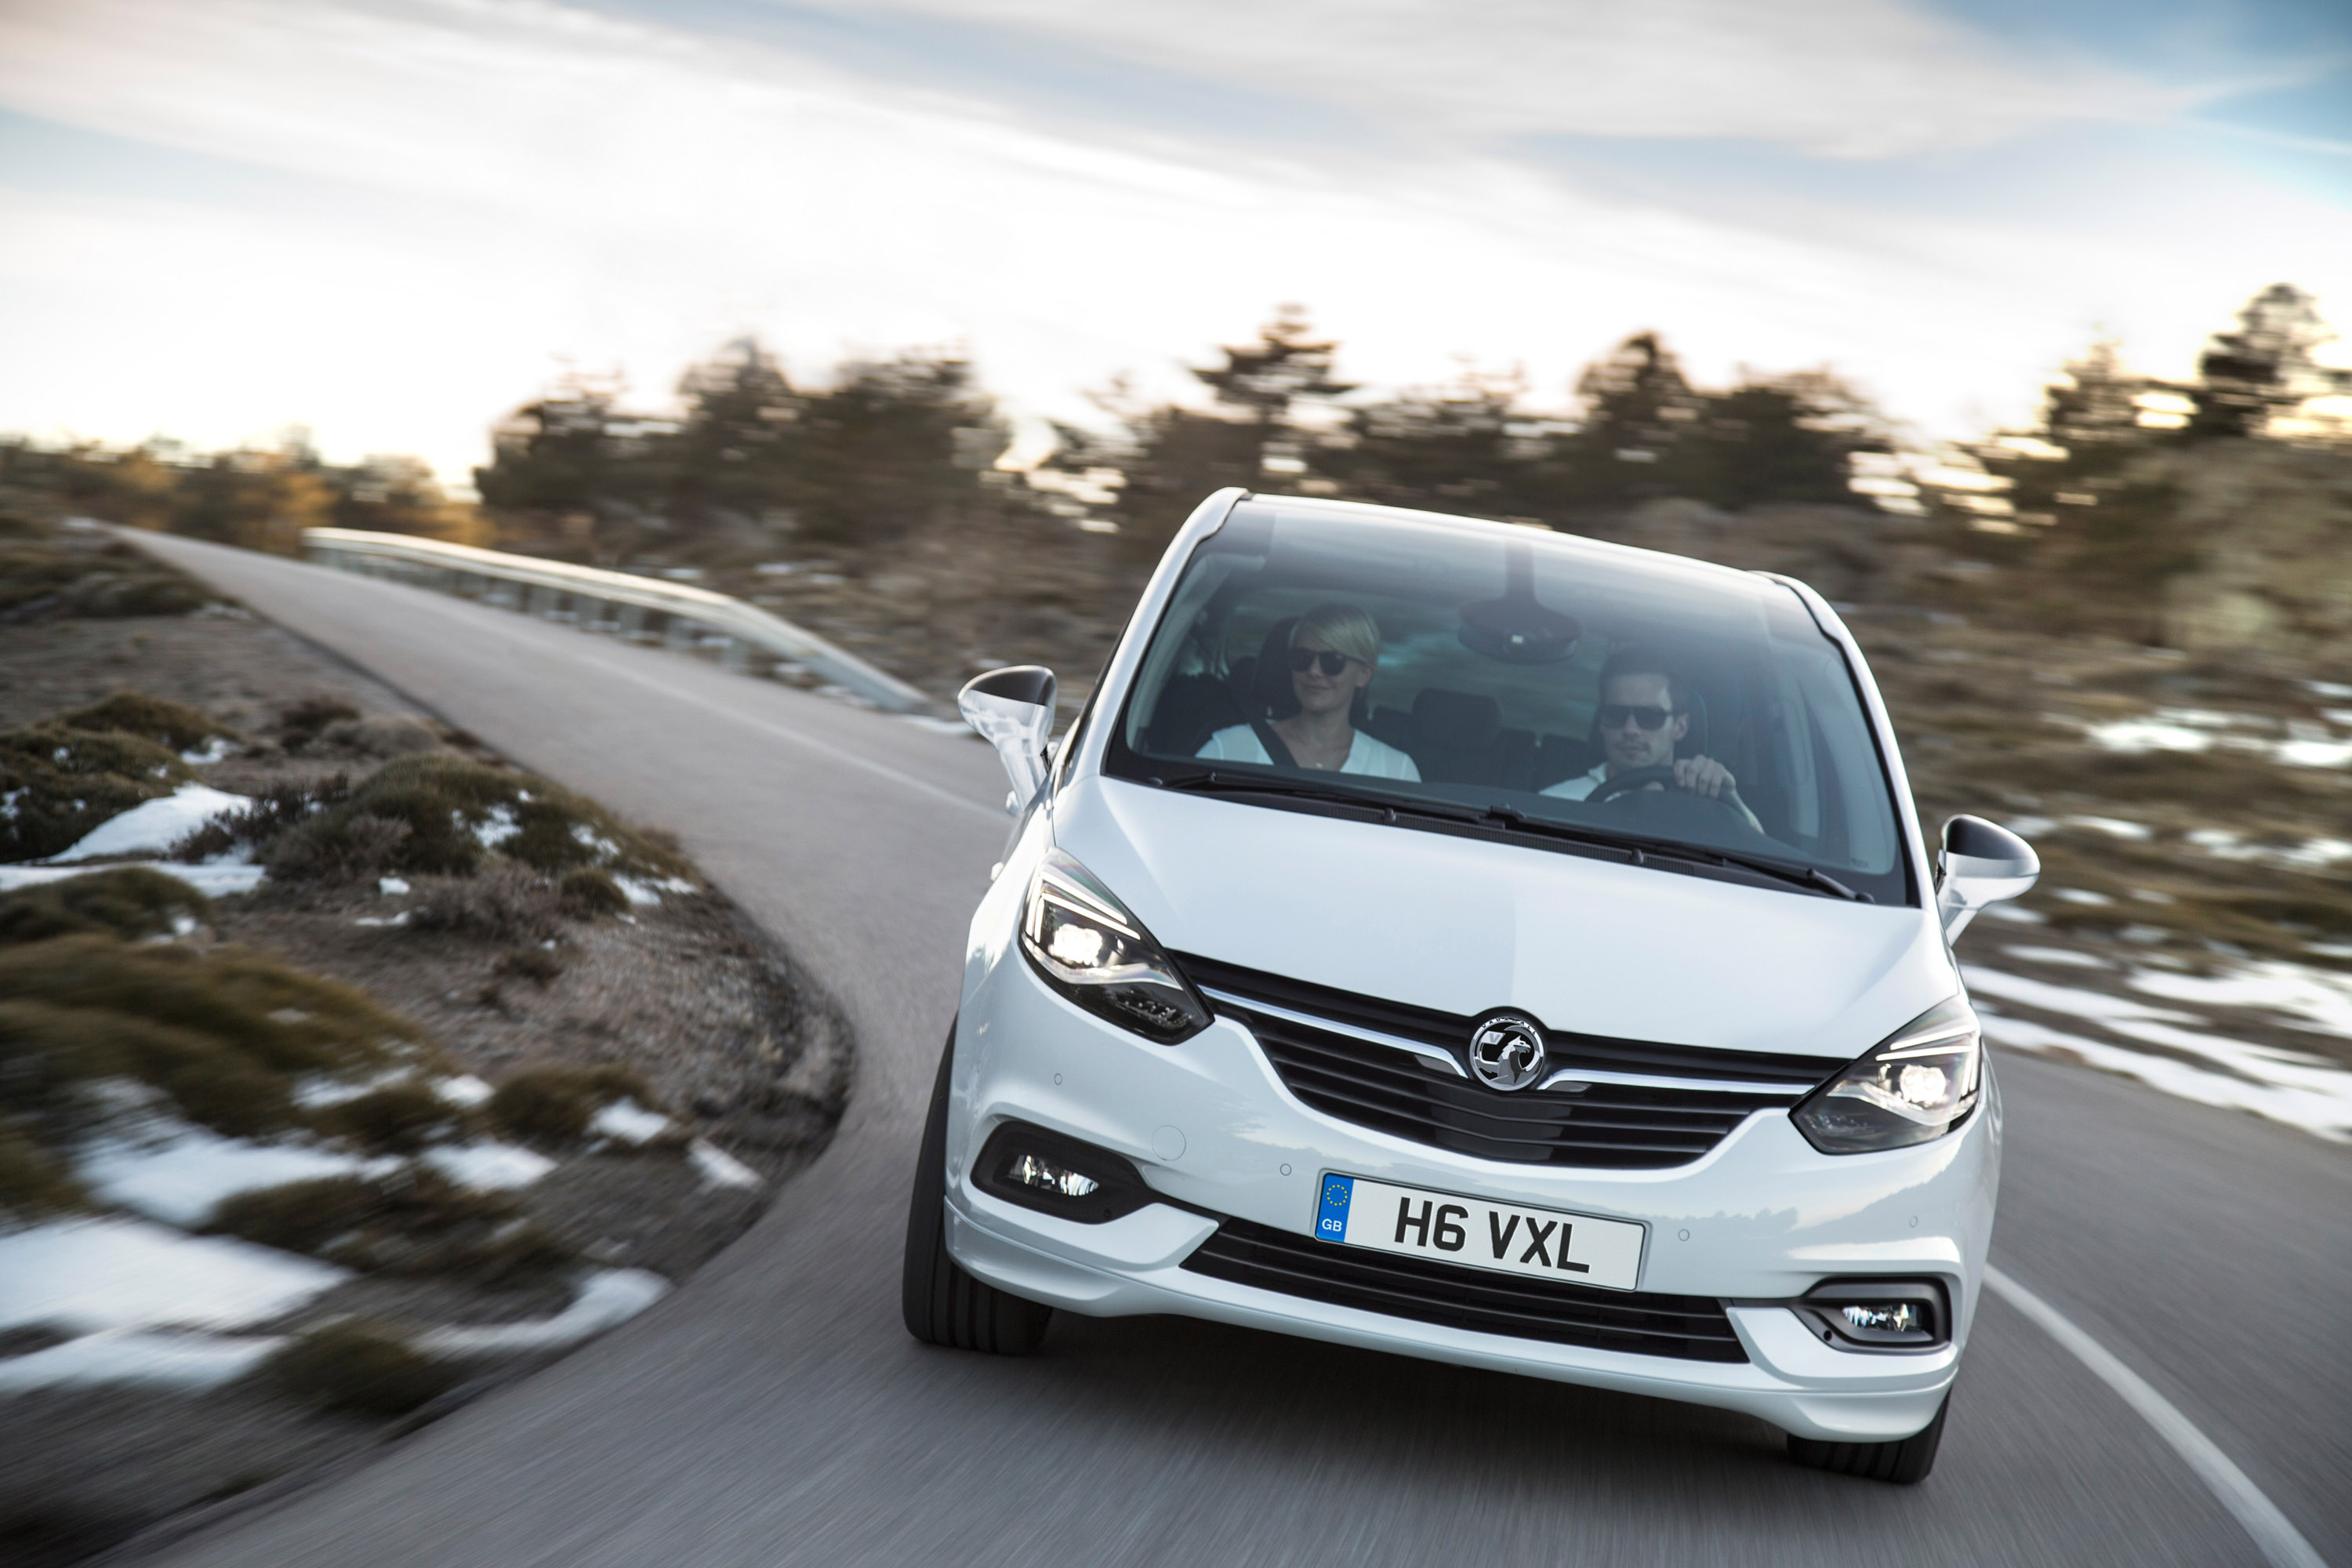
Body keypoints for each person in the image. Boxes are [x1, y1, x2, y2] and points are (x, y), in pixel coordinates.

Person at [1544, 645, 1761, 829]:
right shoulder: (1557, 803)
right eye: (1616, 715)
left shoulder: (1709, 807)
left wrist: (1732, 799)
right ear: (1601, 722)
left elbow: (1760, 861)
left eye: (1649, 716)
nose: (1631, 729)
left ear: (1681, 726)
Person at [1197, 602, 1420, 779]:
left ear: (1363, 675)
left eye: (1333, 661)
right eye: (1302, 658)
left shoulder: (1396, 770)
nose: (1314, 671)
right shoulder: (1229, 748)